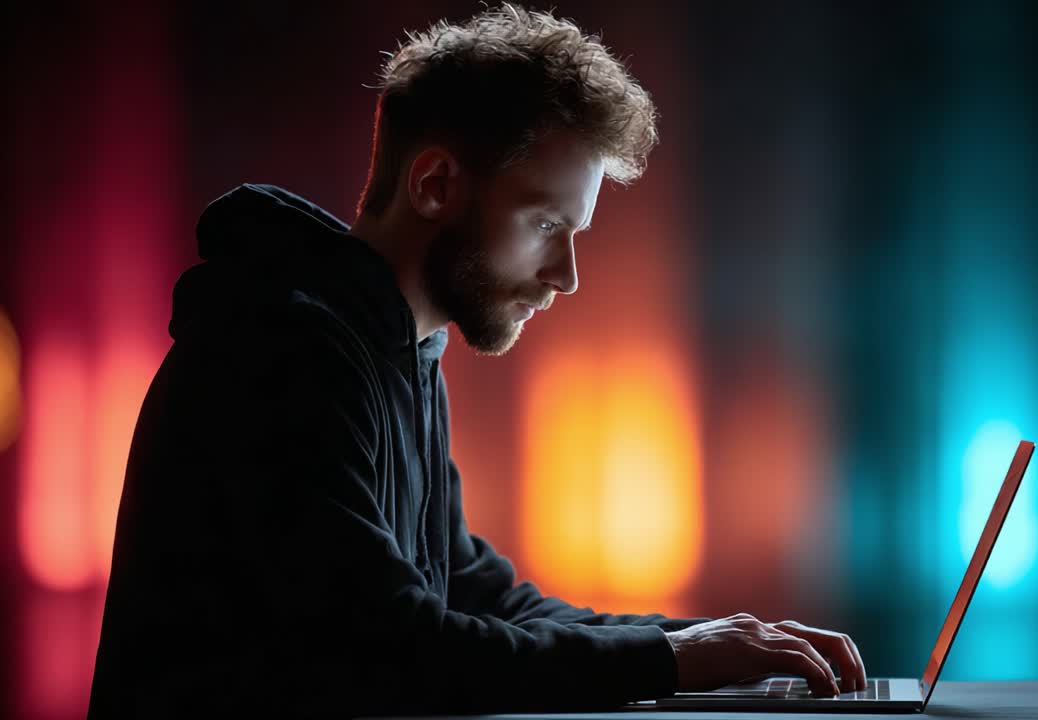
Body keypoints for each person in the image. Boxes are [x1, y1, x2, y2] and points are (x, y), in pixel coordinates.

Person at [87, 4, 866, 717]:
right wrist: (667, 658)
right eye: (545, 223)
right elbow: (396, 648)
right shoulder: (281, 352)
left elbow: (479, 598)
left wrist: (718, 644)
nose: (566, 275)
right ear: (433, 184)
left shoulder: (398, 352)